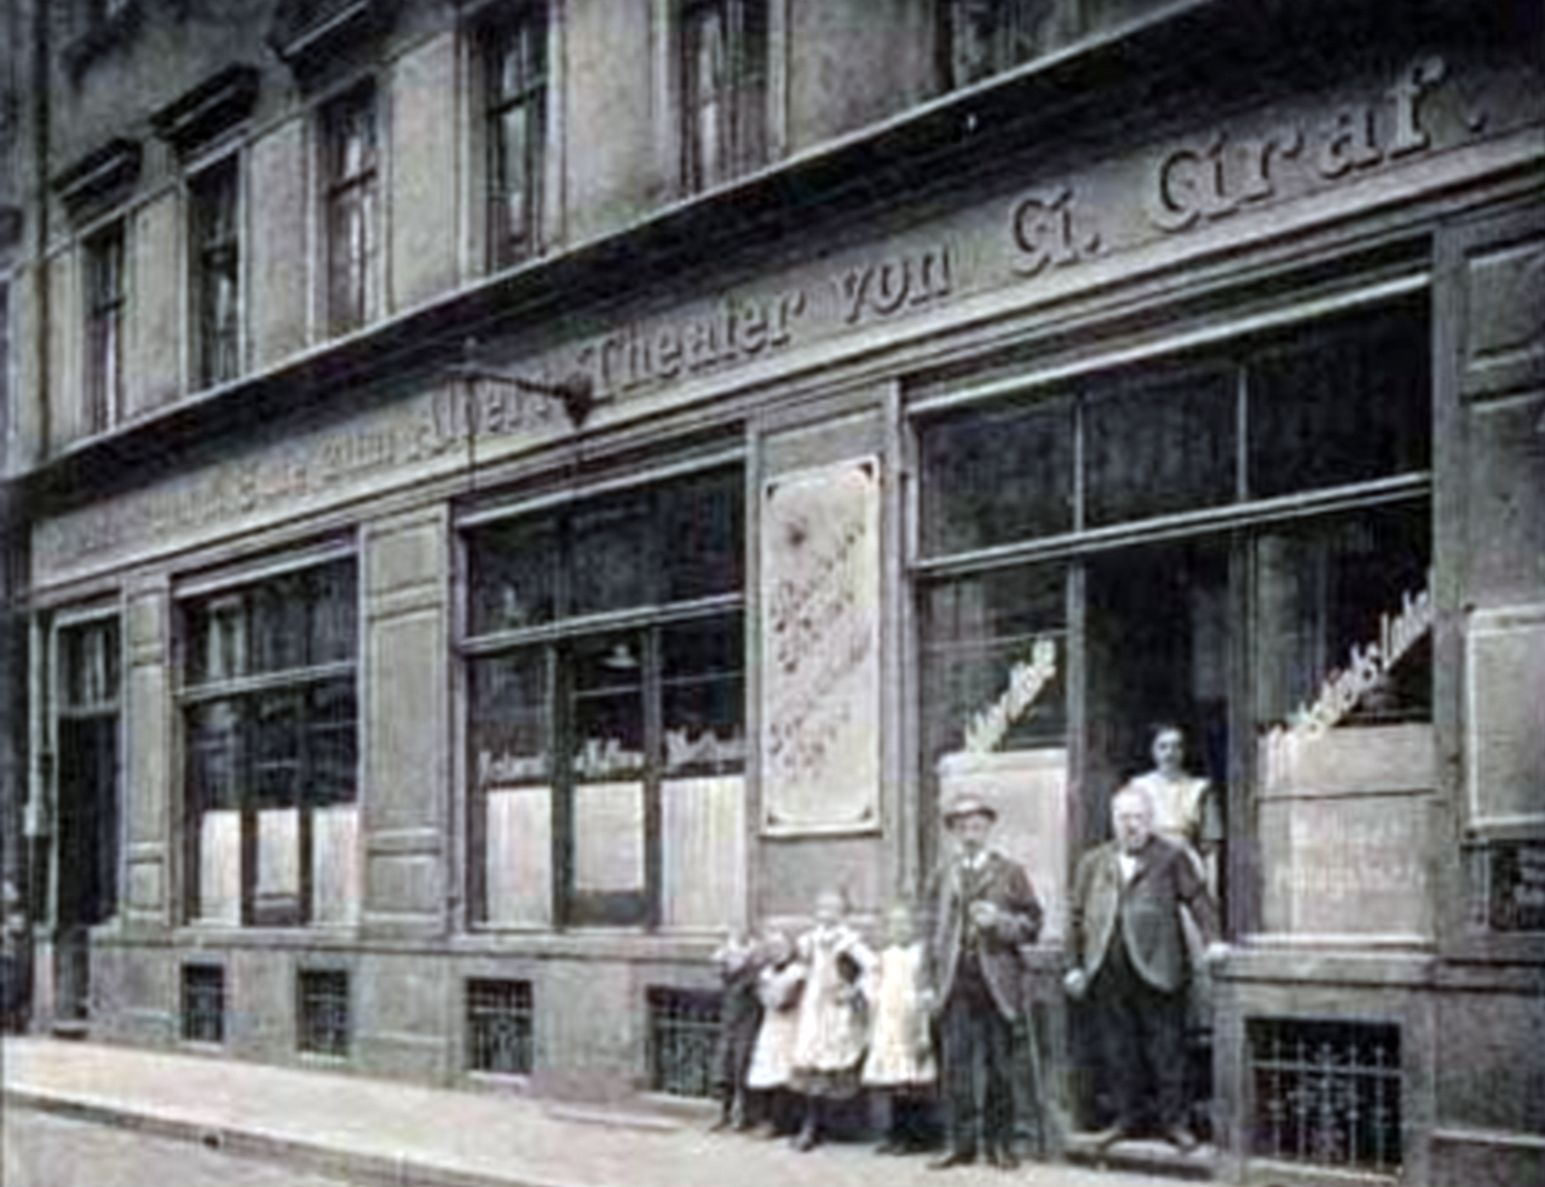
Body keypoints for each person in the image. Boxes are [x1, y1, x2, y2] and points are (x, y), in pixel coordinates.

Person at [1064, 785, 1226, 1154]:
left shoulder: (1170, 857)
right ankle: (1125, 1120)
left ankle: (1176, 1125)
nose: (1130, 825)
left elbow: (1198, 899)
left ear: (1150, 821)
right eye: (1123, 818)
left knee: (1166, 1049)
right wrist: (1074, 967)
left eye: (1138, 818)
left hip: (1160, 967)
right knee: (1119, 1050)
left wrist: (1213, 939)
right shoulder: (1093, 862)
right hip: (1106, 970)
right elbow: (1074, 919)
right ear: (1112, 821)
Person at [924, 794, 1043, 1171]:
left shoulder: (1010, 872)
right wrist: (928, 980)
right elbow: (931, 931)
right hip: (954, 980)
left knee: (1000, 1067)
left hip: (997, 982)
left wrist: (1000, 922)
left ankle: (1001, 1145)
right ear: (954, 832)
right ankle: (958, 1144)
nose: (970, 833)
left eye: (976, 825)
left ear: (988, 828)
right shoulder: (944, 873)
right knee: (955, 1066)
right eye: (962, 827)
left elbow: (1034, 925)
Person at [790, 888, 876, 1151]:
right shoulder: (809, 941)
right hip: (814, 1004)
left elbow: (873, 967)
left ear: (843, 913)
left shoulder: (849, 941)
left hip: (836, 1007)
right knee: (811, 1056)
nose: (827, 913)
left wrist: (854, 990)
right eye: (822, 908)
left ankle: (839, 1124)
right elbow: (800, 968)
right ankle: (811, 1123)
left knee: (836, 1058)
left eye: (834, 908)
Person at [862, 901, 937, 1154]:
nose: (899, 929)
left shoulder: (920, 955)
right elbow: (873, 986)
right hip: (889, 1022)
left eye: (905, 923)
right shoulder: (884, 956)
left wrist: (922, 1028)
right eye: (893, 924)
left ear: (914, 927)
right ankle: (892, 1132)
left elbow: (925, 992)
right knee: (892, 1080)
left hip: (912, 1021)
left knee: (911, 1081)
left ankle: (914, 1136)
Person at [746, 926, 805, 1136]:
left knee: (786, 1072)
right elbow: (763, 998)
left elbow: (785, 1001)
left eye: (781, 946)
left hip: (790, 1026)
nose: (777, 951)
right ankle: (767, 1119)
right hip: (771, 1025)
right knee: (766, 1070)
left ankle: (786, 1122)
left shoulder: (797, 972)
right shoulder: (766, 972)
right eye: (772, 947)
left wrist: (773, 995)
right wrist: (768, 995)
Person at [709, 928, 763, 1131]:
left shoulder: (751, 977)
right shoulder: (727, 977)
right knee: (725, 1069)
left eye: (737, 956)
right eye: (731, 957)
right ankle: (724, 1113)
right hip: (728, 1026)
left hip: (746, 1027)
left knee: (742, 1069)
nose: (732, 961)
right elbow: (716, 964)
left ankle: (745, 1116)